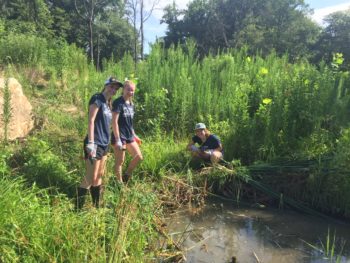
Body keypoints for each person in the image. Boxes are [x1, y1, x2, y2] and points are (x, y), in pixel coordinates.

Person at [76, 77, 123, 210]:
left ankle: (97, 206)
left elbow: (108, 125)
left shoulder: (109, 103)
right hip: (95, 143)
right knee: (90, 177)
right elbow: (91, 120)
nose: (113, 90)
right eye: (111, 86)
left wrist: (115, 140)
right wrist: (90, 142)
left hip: (104, 144)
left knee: (99, 175)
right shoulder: (97, 98)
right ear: (106, 85)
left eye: (116, 88)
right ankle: (78, 209)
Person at [111, 80, 143, 183]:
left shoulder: (131, 104)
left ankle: (126, 175)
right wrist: (117, 139)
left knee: (139, 157)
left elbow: (130, 123)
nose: (131, 92)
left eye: (133, 90)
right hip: (120, 136)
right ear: (123, 89)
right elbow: (114, 122)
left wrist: (135, 135)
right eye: (129, 89)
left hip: (129, 136)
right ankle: (119, 184)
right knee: (120, 161)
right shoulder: (118, 102)